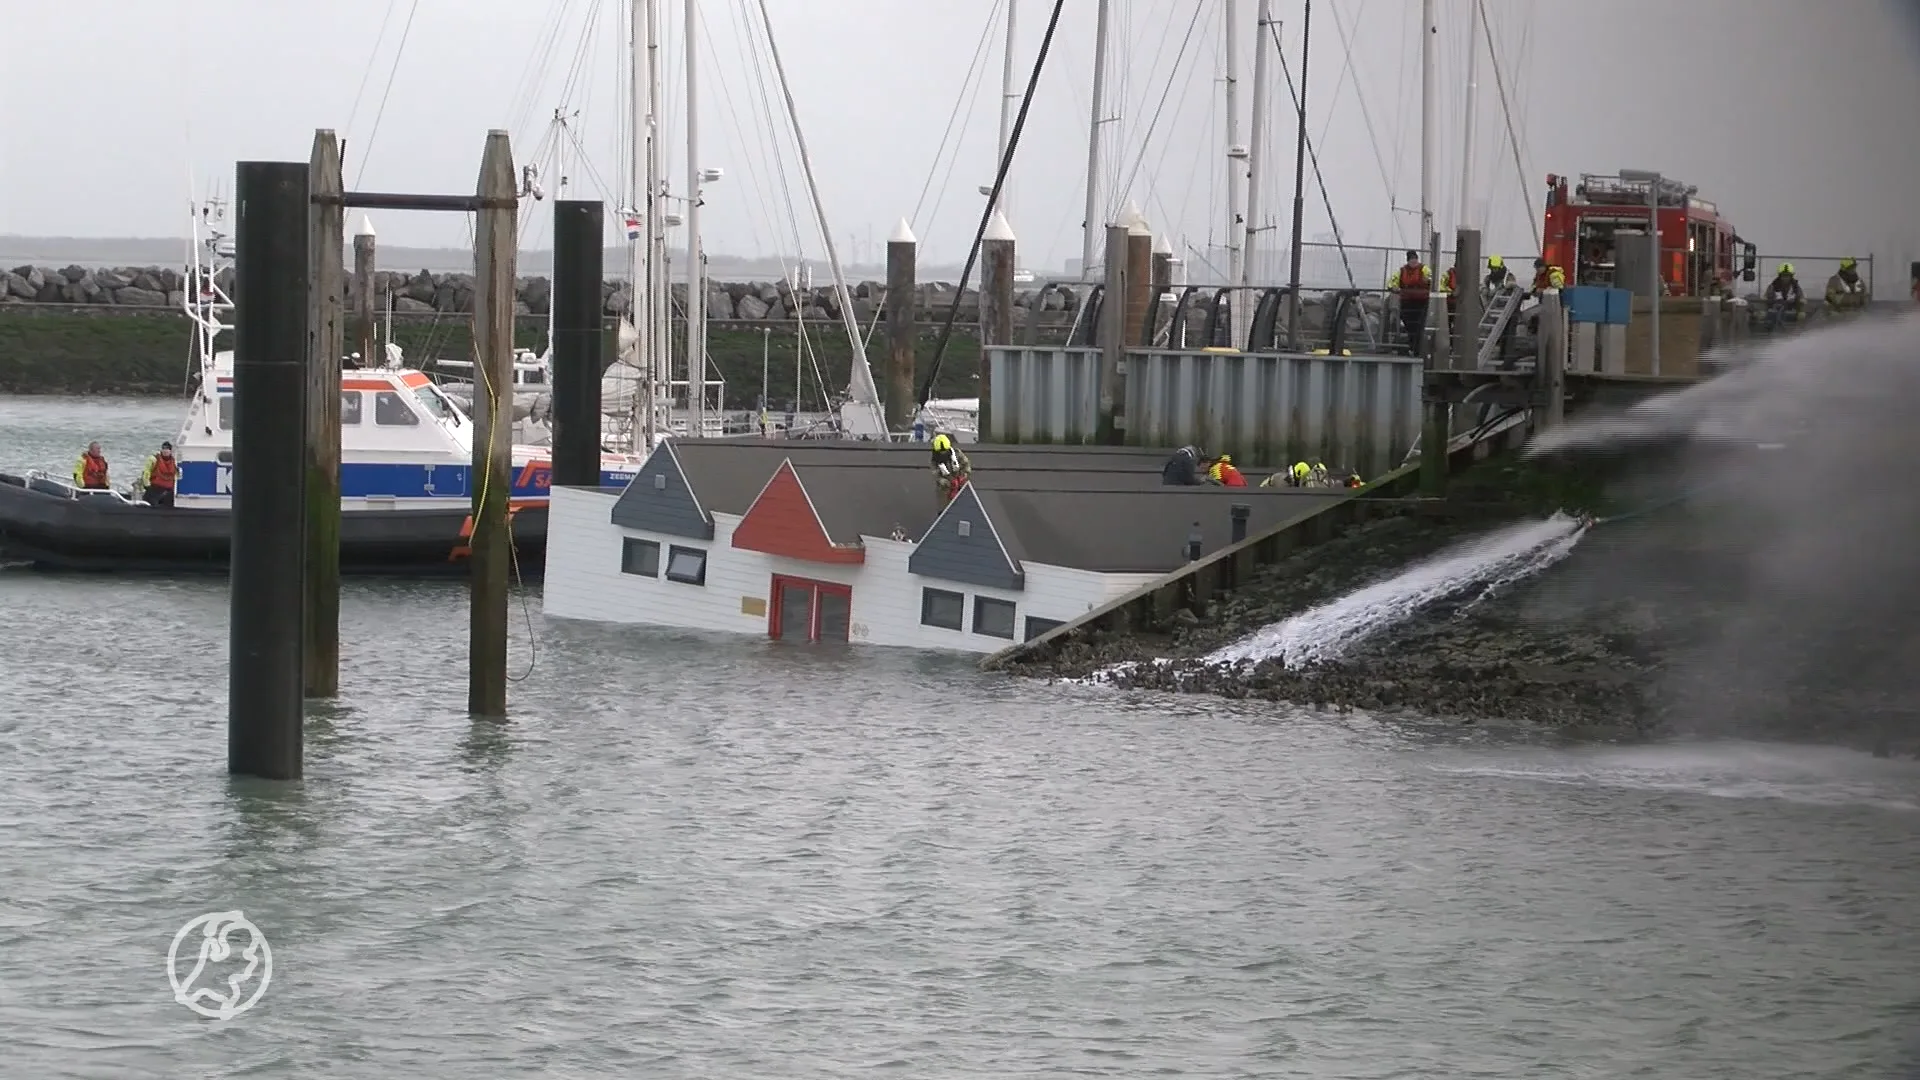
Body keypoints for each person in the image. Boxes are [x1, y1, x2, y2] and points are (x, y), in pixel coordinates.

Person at [1387, 250, 1431, 355]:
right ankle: (1413, 346)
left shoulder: (1424, 269)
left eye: (1415, 259)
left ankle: (1416, 348)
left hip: (1421, 302)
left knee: (1419, 326)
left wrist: (1428, 281)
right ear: (1408, 260)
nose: (1413, 261)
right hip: (1407, 302)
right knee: (1409, 326)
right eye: (1411, 259)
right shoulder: (1402, 271)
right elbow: (1391, 282)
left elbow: (1431, 278)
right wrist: (1393, 287)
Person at [929, 432, 971, 505]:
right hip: (945, 488)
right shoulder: (934, 460)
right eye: (941, 451)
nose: (943, 453)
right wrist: (944, 481)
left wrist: (964, 475)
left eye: (945, 450)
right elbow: (935, 475)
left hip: (961, 484)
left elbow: (966, 464)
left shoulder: (957, 453)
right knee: (944, 508)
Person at [1764, 263, 1805, 331]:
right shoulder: (1773, 286)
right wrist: (1766, 300)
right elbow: (1766, 297)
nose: (1785, 278)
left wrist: (1801, 307)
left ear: (1791, 276)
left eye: (1787, 276)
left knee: (1802, 316)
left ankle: (1797, 333)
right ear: (1780, 276)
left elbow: (1801, 297)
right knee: (1766, 315)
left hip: (1791, 309)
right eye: (1783, 275)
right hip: (1775, 309)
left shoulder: (1796, 287)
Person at [139, 441, 179, 507]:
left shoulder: (175, 462)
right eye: (164, 448)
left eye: (167, 449)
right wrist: (147, 486)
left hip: (168, 490)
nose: (165, 450)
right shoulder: (154, 459)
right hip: (154, 489)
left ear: (170, 451)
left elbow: (177, 476)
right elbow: (146, 472)